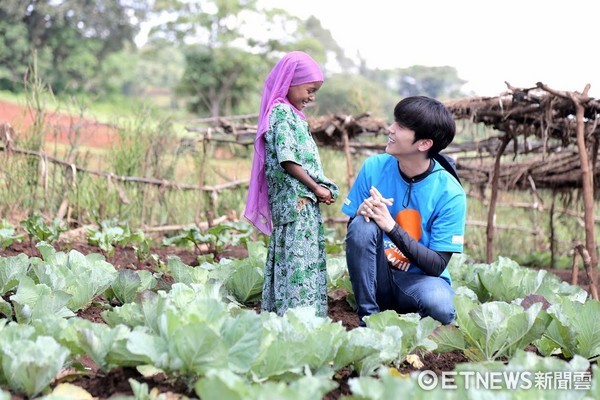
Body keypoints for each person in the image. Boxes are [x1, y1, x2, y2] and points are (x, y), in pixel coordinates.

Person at [341, 96, 466, 326]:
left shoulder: (451, 193)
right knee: (361, 224)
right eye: (394, 122)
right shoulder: (374, 167)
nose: (390, 129)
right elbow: (354, 236)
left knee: (442, 306)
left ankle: (409, 320)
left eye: (400, 126)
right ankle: (368, 320)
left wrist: (391, 226)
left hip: (420, 282)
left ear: (424, 144)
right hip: (375, 278)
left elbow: (437, 264)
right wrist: (360, 213)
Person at [245, 51, 339, 317]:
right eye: (310, 90)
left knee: (298, 260)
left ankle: (295, 317)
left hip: (301, 203)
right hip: (295, 202)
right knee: (297, 261)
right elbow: (288, 160)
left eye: (315, 91)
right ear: (290, 82)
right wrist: (317, 188)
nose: (312, 97)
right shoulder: (281, 113)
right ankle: (298, 317)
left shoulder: (291, 114)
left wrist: (319, 187)